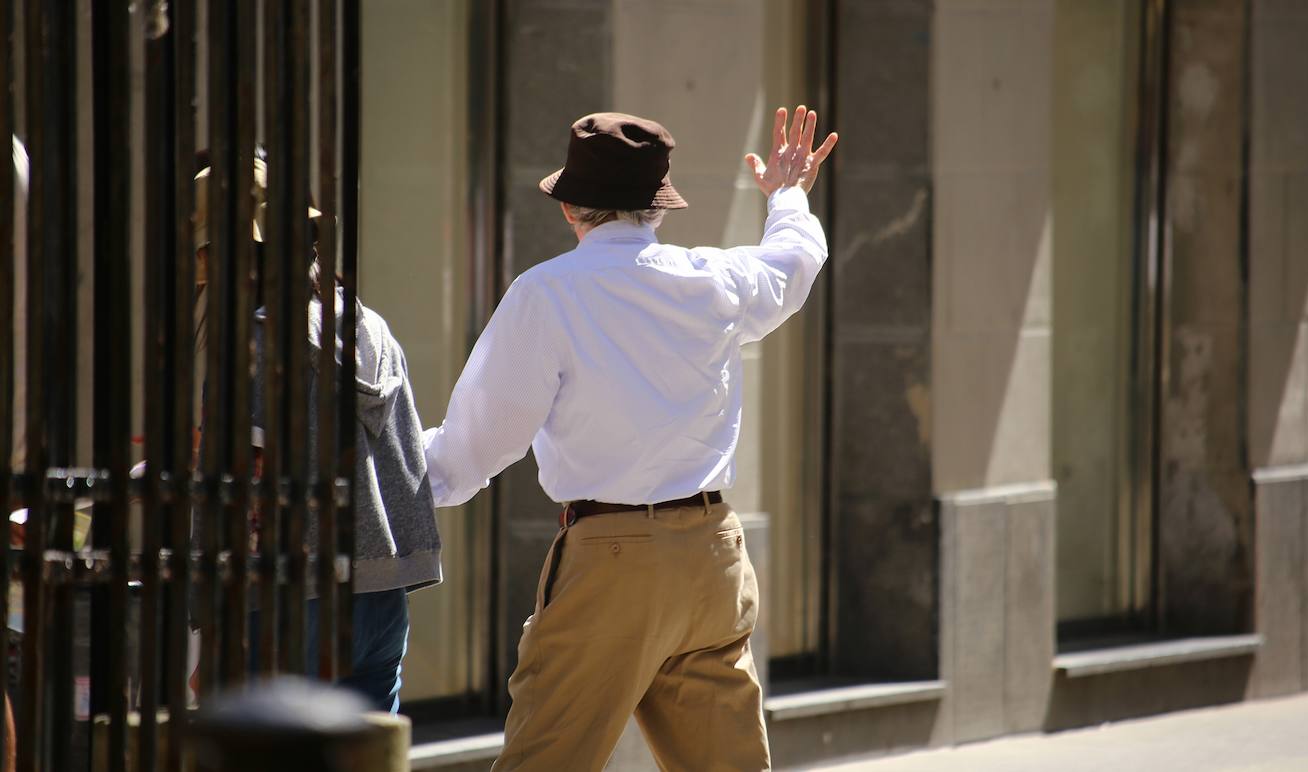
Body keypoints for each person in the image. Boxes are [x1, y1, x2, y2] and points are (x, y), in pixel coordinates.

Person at [424, 106, 837, 769]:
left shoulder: (547, 294)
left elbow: (479, 441)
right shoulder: (717, 278)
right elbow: (794, 262)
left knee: (544, 759)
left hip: (612, 559)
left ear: (570, 209)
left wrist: (387, 479)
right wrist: (787, 194)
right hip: (713, 552)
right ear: (658, 207)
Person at [191, 150, 443, 713]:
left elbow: (248, 495)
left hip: (290, 597)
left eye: (208, 249)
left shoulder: (258, 342)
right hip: (380, 591)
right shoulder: (365, 325)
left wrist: (213, 631)